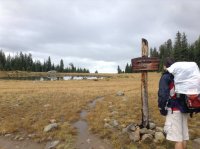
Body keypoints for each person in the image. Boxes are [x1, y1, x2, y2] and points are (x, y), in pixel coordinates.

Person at [158, 57, 189, 149]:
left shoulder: (166, 77)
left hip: (174, 110)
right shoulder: (180, 75)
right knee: (183, 137)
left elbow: (163, 95)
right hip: (184, 109)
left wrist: (162, 109)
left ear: (165, 66)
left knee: (178, 139)